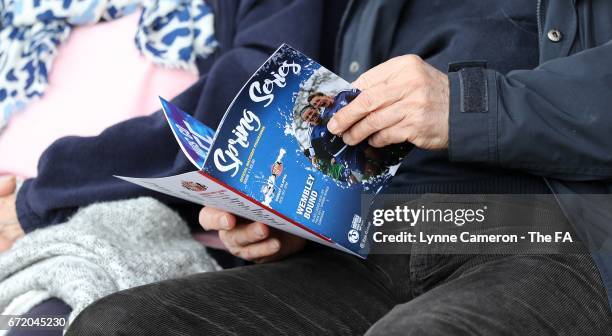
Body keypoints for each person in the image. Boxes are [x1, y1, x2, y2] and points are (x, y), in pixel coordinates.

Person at [2, 0, 612, 335]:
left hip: (542, 237)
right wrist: (297, 214)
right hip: (375, 247)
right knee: (121, 325)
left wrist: (473, 107)